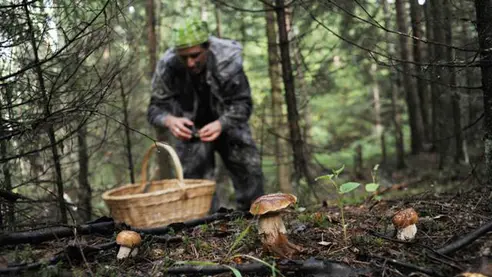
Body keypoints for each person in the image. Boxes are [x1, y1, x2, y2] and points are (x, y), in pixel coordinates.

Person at [147, 19, 265, 212]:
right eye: (183, 57)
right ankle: (206, 231)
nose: (190, 63)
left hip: (230, 126)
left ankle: (258, 222)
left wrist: (222, 124)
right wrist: (170, 121)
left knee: (249, 174)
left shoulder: (227, 59)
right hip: (191, 133)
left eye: (195, 55)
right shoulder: (167, 66)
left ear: (207, 47)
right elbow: (154, 110)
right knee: (196, 192)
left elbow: (243, 104)